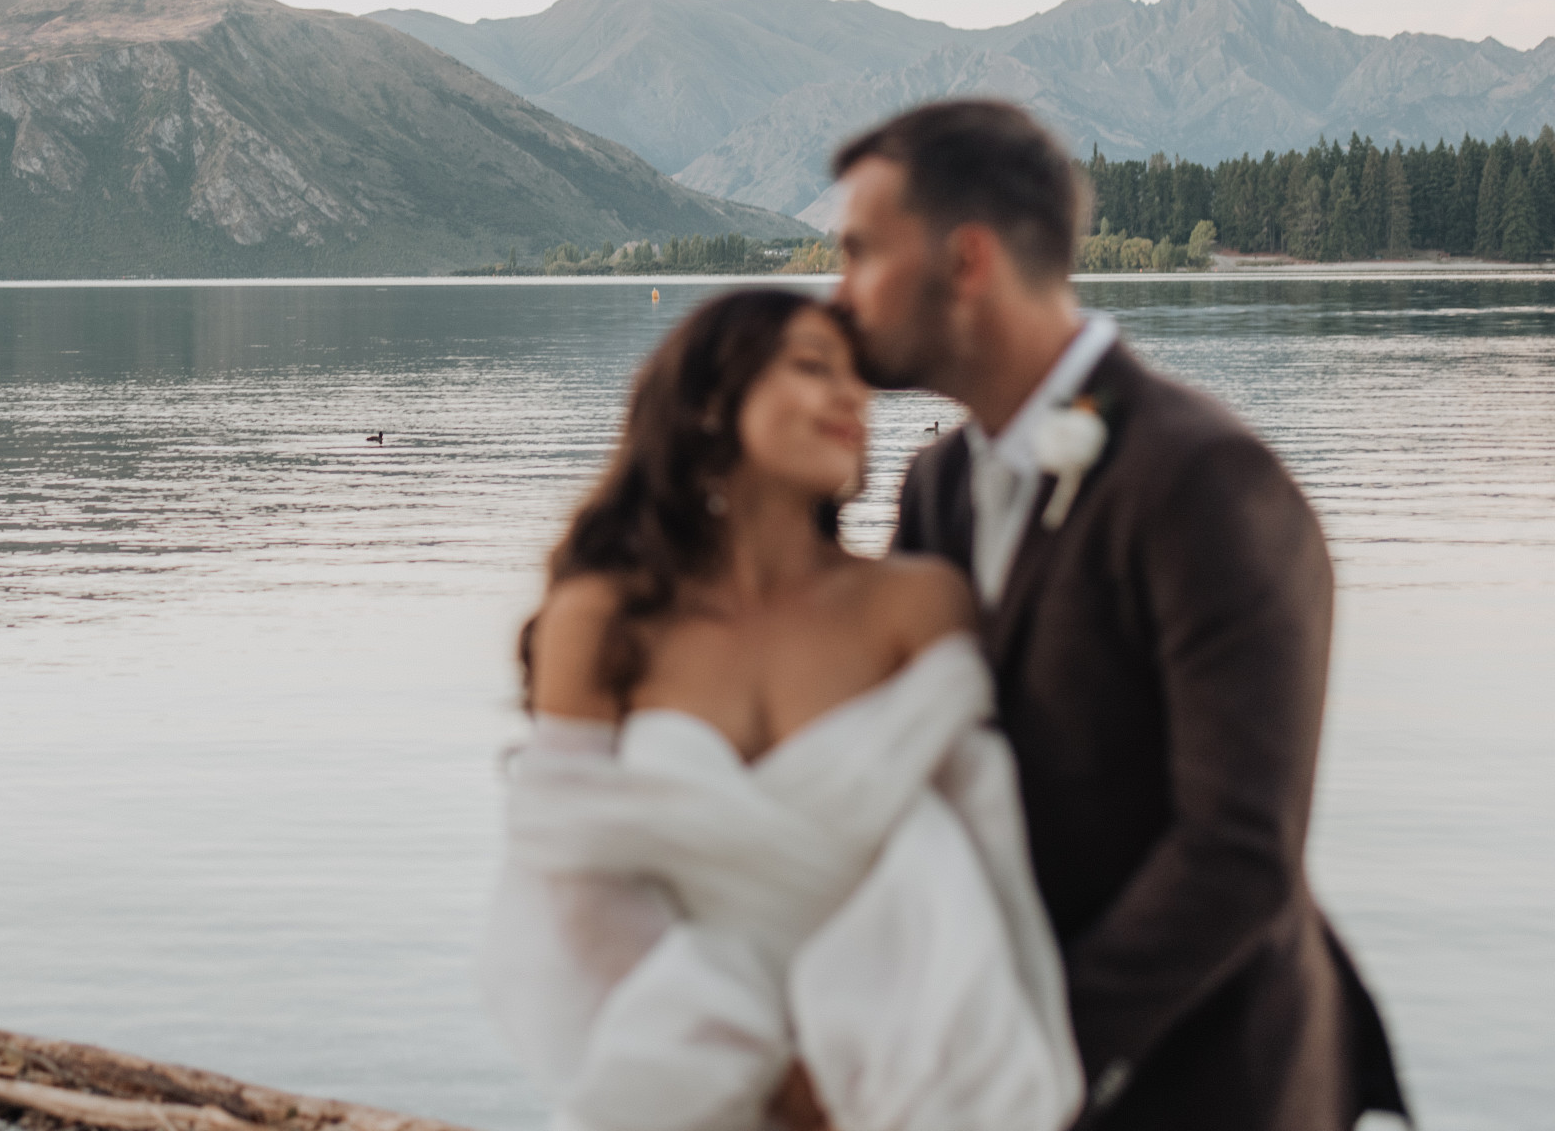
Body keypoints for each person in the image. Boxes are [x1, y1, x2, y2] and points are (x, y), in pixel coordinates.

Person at [826, 99, 1406, 1130]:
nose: (837, 294)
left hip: (1208, 1082)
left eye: (860, 251)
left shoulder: (1205, 479)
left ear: (965, 261)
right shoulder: (933, 486)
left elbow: (1237, 846)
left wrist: (1036, 1054)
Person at [483, 288, 1084, 1131]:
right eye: (811, 368)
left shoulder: (915, 607)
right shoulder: (603, 619)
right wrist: (755, 1073)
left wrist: (851, 1070)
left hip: (915, 1063)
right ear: (708, 404)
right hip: (671, 1068)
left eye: (856, 380)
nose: (852, 397)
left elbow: (985, 850)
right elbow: (567, 884)